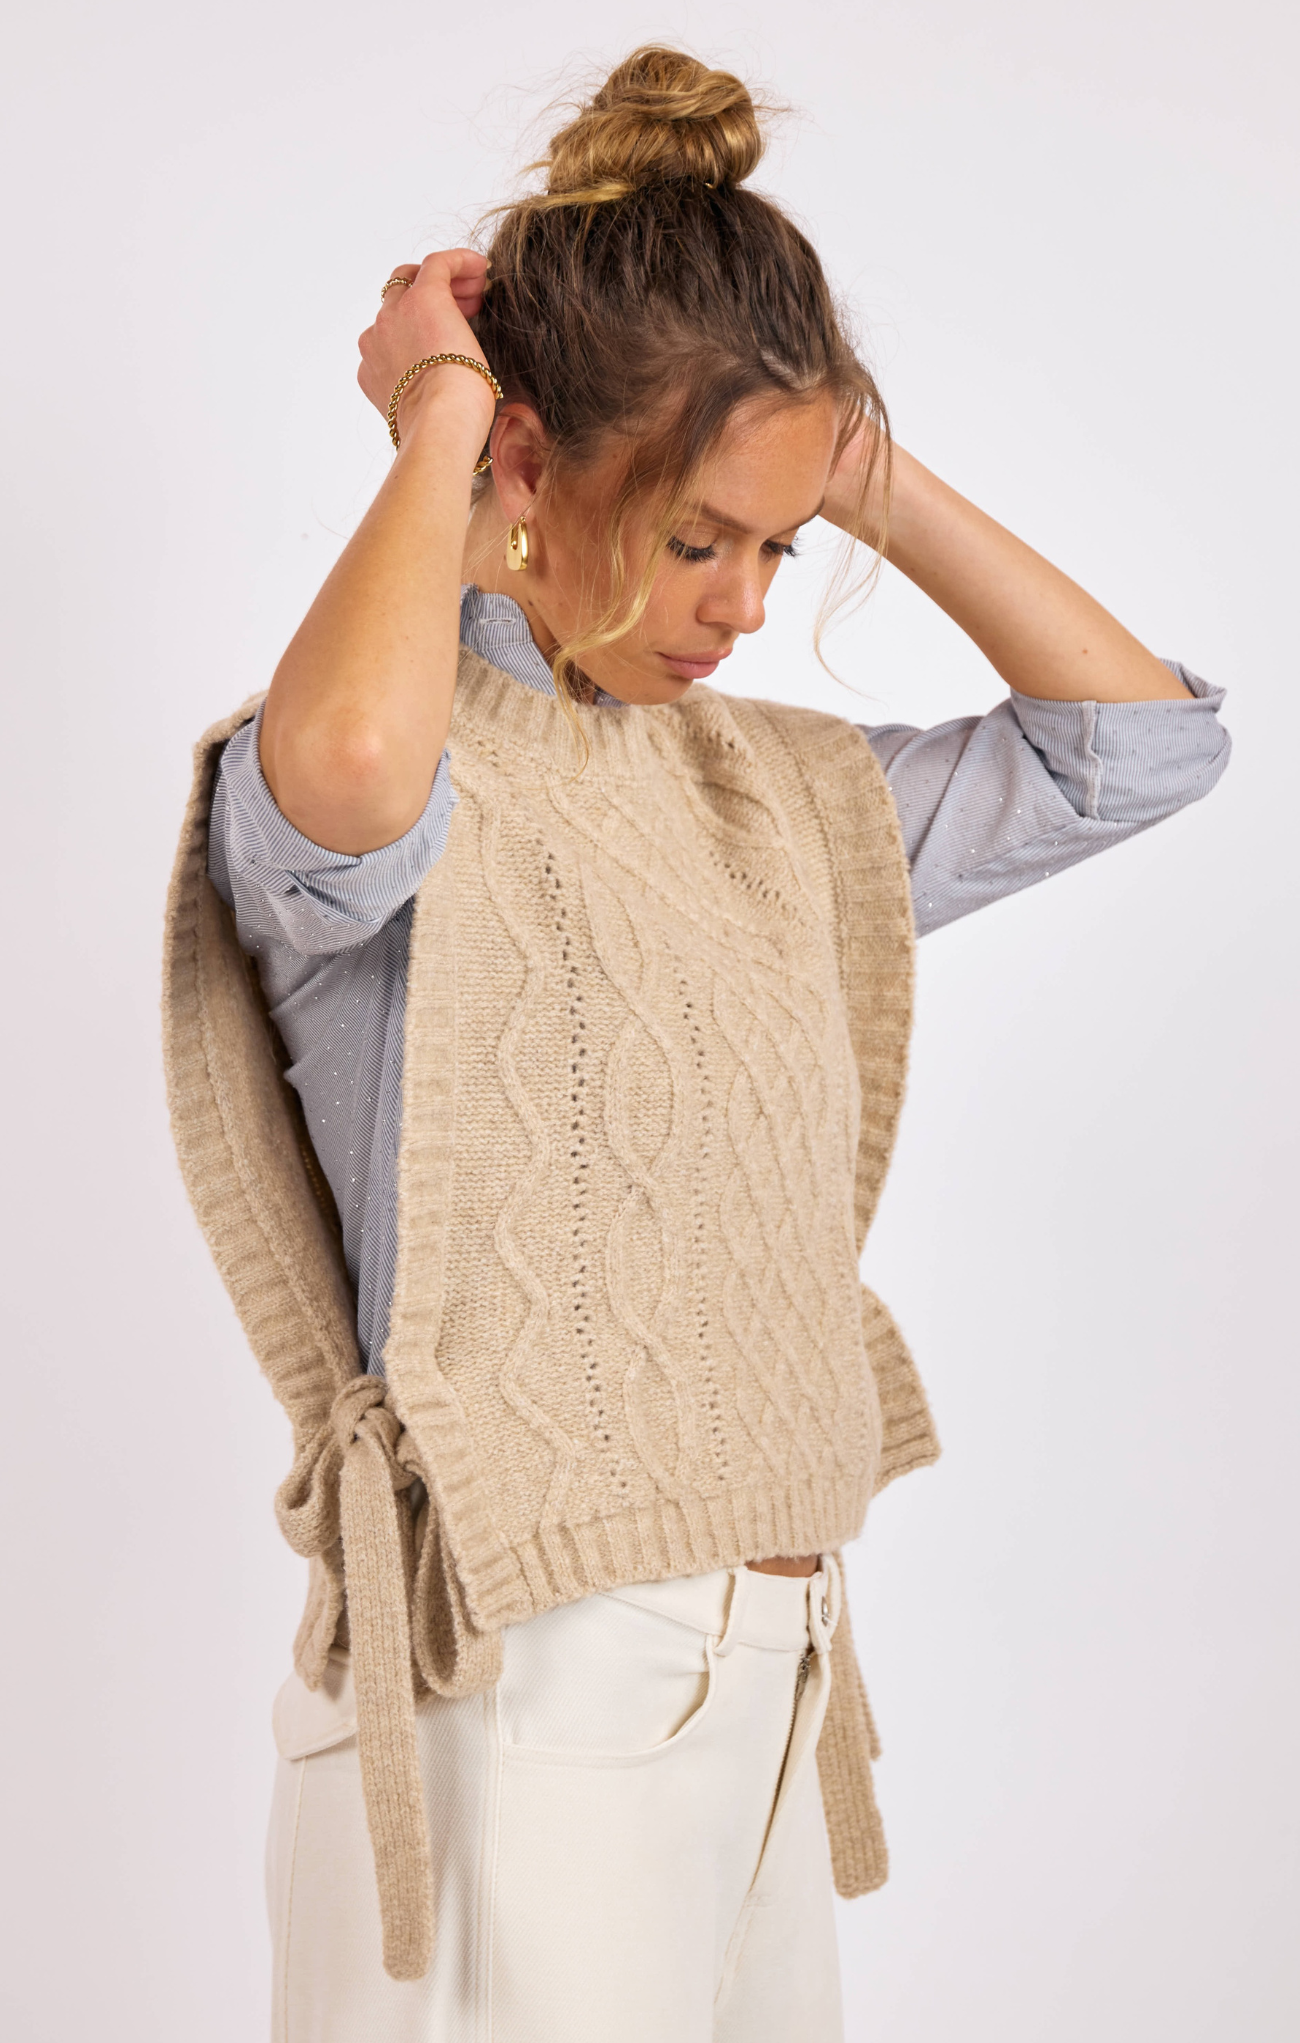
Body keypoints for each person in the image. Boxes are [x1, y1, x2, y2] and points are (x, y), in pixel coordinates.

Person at [163, 45, 1230, 2043]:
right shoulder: (380, 769)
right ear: (532, 470)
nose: (741, 604)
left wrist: (832, 459)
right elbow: (355, 764)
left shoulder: (779, 802)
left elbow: (1133, 747)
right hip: (516, 1678)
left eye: (777, 548)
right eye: (691, 541)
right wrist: (437, 418)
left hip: (764, 1667)